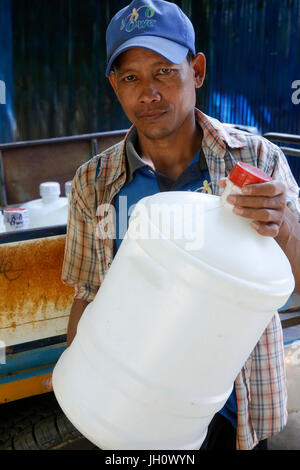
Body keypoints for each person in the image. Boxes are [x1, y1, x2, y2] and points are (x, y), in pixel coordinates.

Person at [44, 0, 300, 450]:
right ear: (114, 86)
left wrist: (282, 224)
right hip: (135, 407)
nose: (148, 93)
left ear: (197, 70)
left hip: (231, 409)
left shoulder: (256, 161)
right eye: (130, 78)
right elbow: (88, 291)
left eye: (164, 71)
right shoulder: (94, 183)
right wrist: (80, 367)